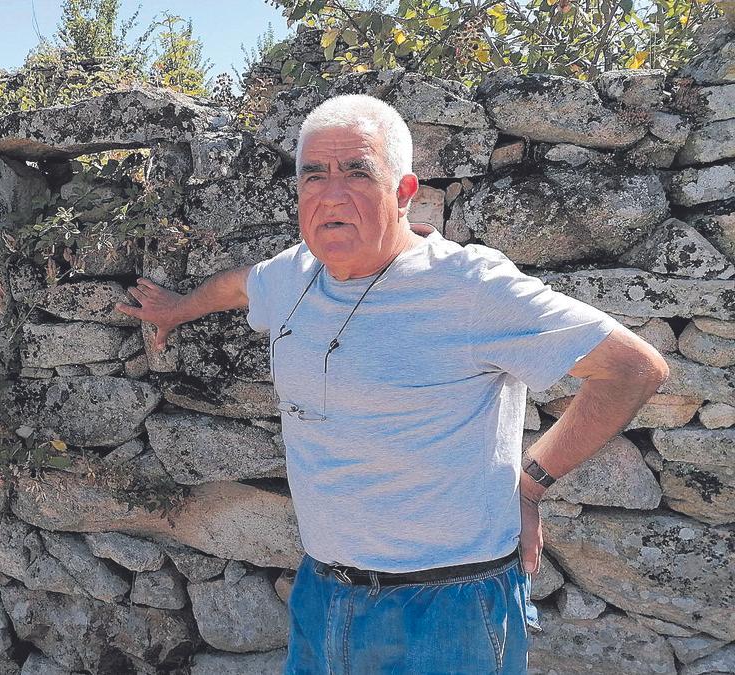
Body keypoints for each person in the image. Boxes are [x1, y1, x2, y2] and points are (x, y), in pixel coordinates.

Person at [115, 94, 669, 674]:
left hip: (450, 607)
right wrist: (177, 309)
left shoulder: (469, 287)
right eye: (314, 176)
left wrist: (530, 484)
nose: (331, 194)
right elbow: (238, 287)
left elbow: (633, 367)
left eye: (358, 172)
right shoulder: (294, 273)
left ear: (405, 192)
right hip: (324, 590)